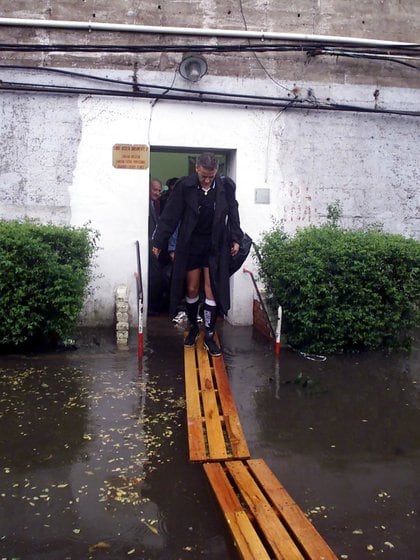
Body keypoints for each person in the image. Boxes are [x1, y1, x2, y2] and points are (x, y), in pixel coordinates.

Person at [151, 152, 243, 356]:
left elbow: (233, 212)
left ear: (216, 171)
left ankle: (209, 334)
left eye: (211, 176)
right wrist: (159, 241)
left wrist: (236, 237)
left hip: (214, 245)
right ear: (196, 169)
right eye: (204, 176)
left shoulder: (225, 187)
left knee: (211, 289)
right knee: (192, 288)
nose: (207, 180)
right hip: (191, 245)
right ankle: (193, 326)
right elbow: (171, 215)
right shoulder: (185, 186)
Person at [148, 178, 170, 315]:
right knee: (154, 277)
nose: (157, 193)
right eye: (154, 190)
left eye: (159, 190)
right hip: (149, 246)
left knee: (157, 276)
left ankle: (154, 307)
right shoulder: (146, 205)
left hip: (156, 247)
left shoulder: (156, 204)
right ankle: (152, 308)